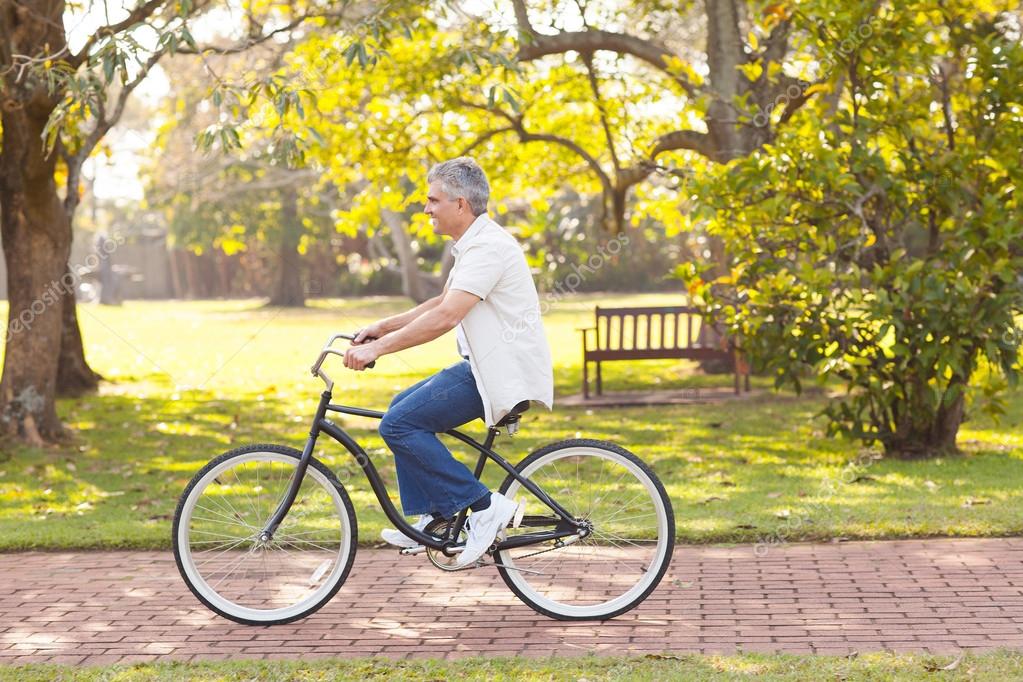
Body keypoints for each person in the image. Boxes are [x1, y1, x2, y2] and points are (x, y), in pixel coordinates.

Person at [343, 157, 553, 567]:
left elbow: (446, 316)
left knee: (399, 424)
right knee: (400, 409)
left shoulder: (488, 248)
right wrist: (382, 328)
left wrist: (376, 350)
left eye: (433, 200)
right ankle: (436, 518)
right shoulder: (475, 244)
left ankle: (485, 507)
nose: (426, 209)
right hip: (486, 368)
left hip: (499, 374)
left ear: (460, 204)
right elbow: (442, 301)